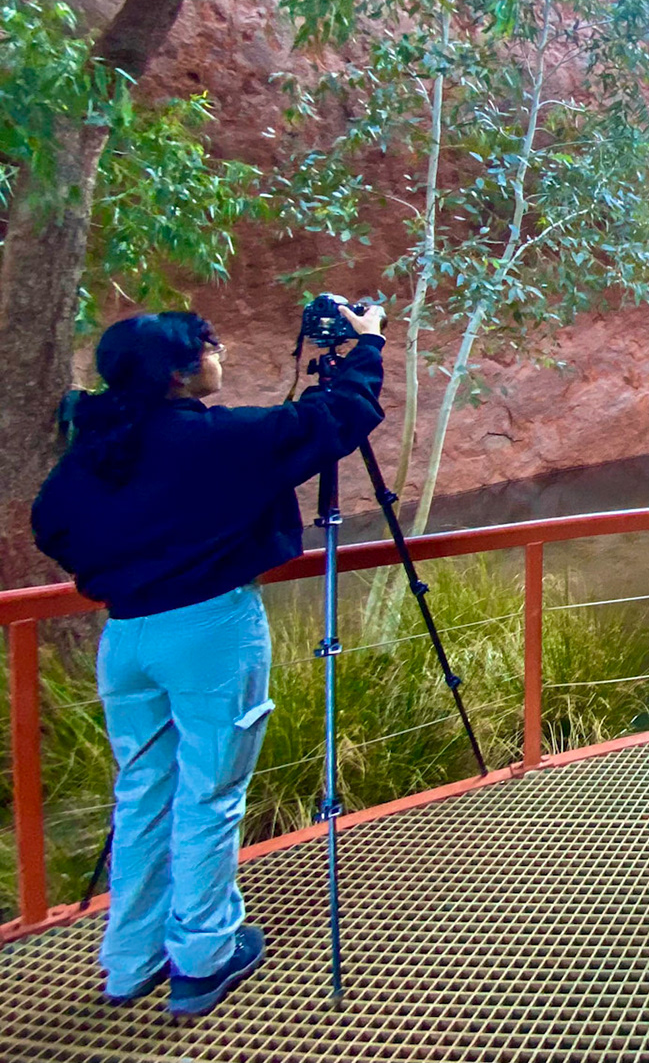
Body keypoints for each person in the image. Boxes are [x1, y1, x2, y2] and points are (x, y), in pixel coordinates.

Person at [32, 305, 386, 1016]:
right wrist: (368, 341)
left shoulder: (101, 444)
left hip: (126, 636)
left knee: (143, 795)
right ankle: (204, 954)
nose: (219, 354)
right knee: (212, 793)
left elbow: (52, 526)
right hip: (209, 631)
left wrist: (125, 571)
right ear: (181, 370)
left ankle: (129, 961)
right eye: (212, 346)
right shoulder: (214, 440)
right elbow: (336, 417)